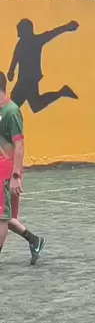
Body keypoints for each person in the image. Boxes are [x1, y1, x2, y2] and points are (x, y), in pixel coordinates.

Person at [0, 72, 45, 265]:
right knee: (5, 214)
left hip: (5, 170)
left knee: (2, 215)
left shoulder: (12, 111)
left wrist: (16, 175)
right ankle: (34, 240)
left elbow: (19, 145)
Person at [8, 19, 79, 113]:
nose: (19, 35)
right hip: (24, 81)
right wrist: (11, 71)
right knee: (33, 105)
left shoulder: (36, 41)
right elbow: (15, 58)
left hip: (28, 81)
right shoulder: (21, 44)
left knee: (29, 106)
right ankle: (62, 92)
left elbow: (52, 33)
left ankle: (62, 92)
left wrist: (67, 27)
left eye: (20, 31)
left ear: (26, 31)